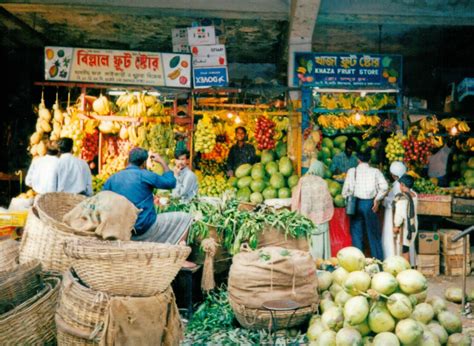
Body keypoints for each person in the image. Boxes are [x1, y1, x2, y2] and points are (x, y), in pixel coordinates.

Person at [103, 147, 193, 247]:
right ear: (144, 163)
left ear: (129, 160)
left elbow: (103, 200)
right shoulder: (145, 175)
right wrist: (162, 162)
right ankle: (179, 255)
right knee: (186, 217)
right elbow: (171, 182)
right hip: (144, 228)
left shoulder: (113, 178)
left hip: (121, 230)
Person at [342, 150, 388, 260]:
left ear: (358, 160)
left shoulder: (352, 171)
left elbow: (344, 192)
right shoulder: (375, 171)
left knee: (357, 234)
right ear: (370, 160)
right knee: (373, 234)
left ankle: (358, 262)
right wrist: (377, 200)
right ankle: (378, 261)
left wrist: (349, 198)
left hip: (355, 204)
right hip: (369, 204)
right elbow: (385, 187)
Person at [291, 160, 334, 260]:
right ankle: (322, 262)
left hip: (307, 219)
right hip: (321, 219)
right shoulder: (323, 182)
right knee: (320, 242)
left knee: (309, 243)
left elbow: (297, 197)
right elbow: (327, 201)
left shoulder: (303, 180)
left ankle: (309, 261)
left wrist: (296, 212)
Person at [382, 161, 407, 259]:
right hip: (403, 215)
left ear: (393, 174)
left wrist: (383, 199)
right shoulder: (405, 184)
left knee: (391, 238)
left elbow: (391, 201)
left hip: (393, 215)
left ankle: (391, 257)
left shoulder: (397, 186)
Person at [393, 174, 418, 264]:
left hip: (406, 228)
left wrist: (396, 226)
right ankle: (409, 267)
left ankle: (406, 270)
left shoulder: (402, 198)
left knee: (404, 249)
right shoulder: (414, 195)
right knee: (407, 247)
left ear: (402, 185)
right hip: (413, 224)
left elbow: (399, 215)